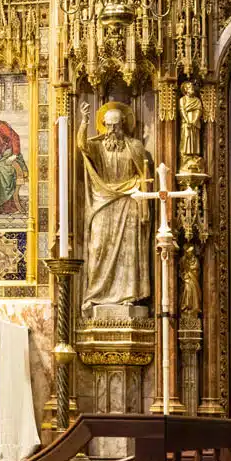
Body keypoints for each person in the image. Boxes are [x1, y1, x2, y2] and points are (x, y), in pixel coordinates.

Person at [79, 101, 153, 313]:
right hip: (103, 200)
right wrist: (84, 121)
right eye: (109, 126)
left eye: (117, 125)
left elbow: (144, 175)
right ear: (103, 125)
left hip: (129, 201)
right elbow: (82, 146)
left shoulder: (135, 146)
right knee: (98, 246)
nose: (113, 130)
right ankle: (95, 294)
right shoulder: (98, 146)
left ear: (124, 125)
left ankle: (128, 295)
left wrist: (143, 204)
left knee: (129, 251)